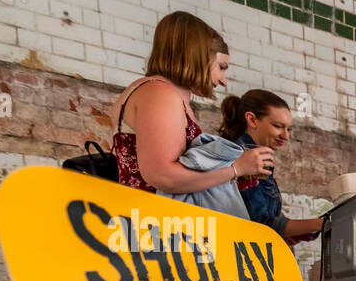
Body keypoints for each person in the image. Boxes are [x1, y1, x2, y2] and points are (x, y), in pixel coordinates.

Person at [109, 11, 273, 196]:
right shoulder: (160, 94)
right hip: (155, 219)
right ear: (197, 58)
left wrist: (235, 173)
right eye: (221, 67)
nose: (223, 80)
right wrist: (236, 169)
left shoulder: (160, 92)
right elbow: (163, 177)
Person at [219, 89, 323, 243]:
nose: (286, 136)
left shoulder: (257, 157)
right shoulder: (243, 157)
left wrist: (297, 230)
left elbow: (264, 218)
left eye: (288, 129)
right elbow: (259, 222)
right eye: (278, 126)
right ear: (252, 120)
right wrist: (320, 223)